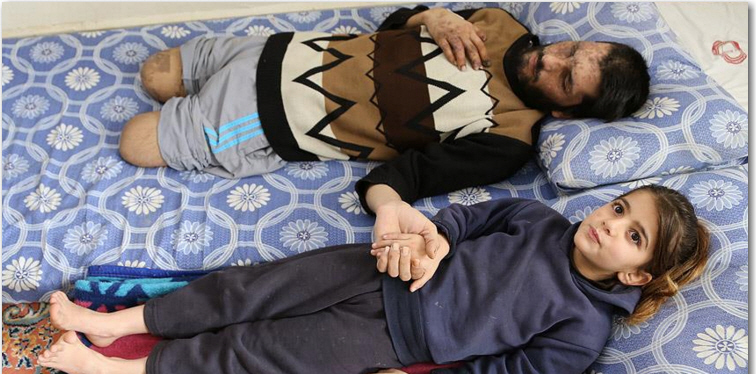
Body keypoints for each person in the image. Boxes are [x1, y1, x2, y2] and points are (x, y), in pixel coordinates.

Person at [39, 185, 708, 374]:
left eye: (633, 235)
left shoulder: (584, 326)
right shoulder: (536, 217)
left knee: (265, 356)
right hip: (377, 270)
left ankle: (126, 371)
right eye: (620, 207)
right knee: (249, 288)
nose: (610, 223)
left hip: (391, 341)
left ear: (636, 276)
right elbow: (466, 220)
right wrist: (436, 238)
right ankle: (121, 321)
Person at [119, 6, 650, 255]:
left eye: (565, 79)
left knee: (135, 141)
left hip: (268, 115)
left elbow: (410, 174)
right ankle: (194, 107)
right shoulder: (501, 23)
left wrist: (392, 210)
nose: (552, 60)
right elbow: (392, 27)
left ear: (566, 113)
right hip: (281, 50)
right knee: (153, 74)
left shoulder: (508, 139)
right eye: (570, 51)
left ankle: (201, 124)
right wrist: (432, 16)